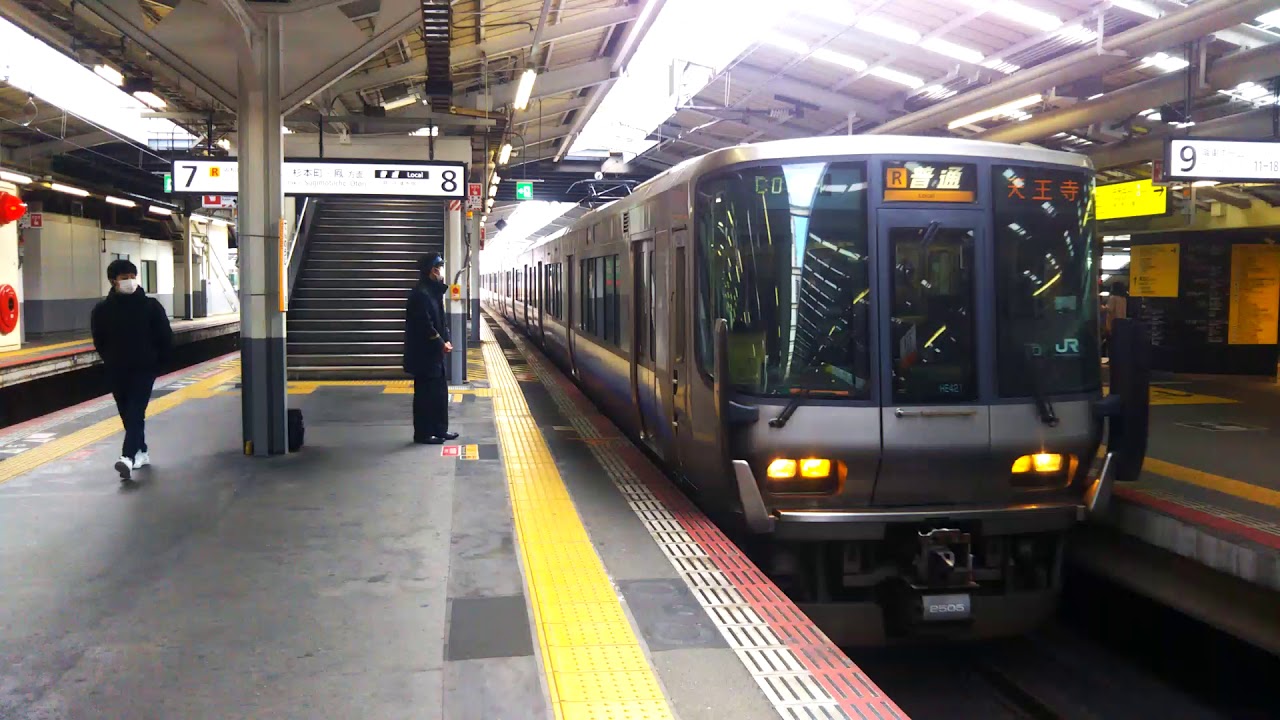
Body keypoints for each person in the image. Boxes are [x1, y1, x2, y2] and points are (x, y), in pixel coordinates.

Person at [91, 259, 173, 480]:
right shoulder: (102, 310)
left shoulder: (151, 306)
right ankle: (142, 451)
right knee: (128, 413)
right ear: (112, 281)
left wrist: (158, 364)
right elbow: (99, 340)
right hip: (117, 369)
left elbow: (165, 337)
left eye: (132, 276)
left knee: (136, 409)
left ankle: (127, 457)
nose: (129, 281)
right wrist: (109, 359)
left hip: (144, 369)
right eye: (123, 277)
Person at [403, 252, 457, 444]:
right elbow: (425, 325)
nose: (440, 272)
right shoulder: (420, 295)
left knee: (439, 393)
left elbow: (441, 322)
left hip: (435, 355)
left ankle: (440, 429)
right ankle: (424, 433)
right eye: (438, 268)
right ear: (431, 270)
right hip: (424, 356)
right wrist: (441, 343)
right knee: (425, 396)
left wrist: (447, 340)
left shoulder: (433, 292)